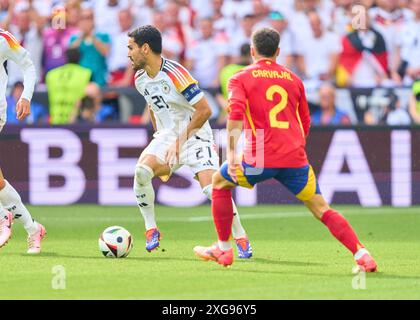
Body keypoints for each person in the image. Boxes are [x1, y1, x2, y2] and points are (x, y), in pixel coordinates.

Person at [193, 27, 377, 273]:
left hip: (259, 152)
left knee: (219, 182)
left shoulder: (240, 78)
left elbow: (235, 115)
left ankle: (224, 249)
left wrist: (233, 155)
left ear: (252, 50)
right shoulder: (294, 79)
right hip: (294, 156)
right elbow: (306, 121)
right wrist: (295, 147)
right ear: (278, 51)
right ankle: (362, 254)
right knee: (322, 208)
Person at [127, 25, 252, 258]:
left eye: (131, 48)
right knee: (141, 172)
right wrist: (162, 142)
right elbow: (154, 106)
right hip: (167, 137)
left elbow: (204, 111)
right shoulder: (140, 78)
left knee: (212, 189)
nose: (128, 53)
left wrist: (178, 142)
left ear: (145, 48)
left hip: (195, 136)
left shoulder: (177, 73)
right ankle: (151, 229)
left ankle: (241, 238)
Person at [0, 28, 46, 253]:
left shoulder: (3, 39)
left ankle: (2, 217)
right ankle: (33, 229)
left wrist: (25, 96)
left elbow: (28, 65)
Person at [46, 47, 92, 125]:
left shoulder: (51, 74)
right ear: (80, 58)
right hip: (75, 121)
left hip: (55, 119)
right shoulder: (86, 73)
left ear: (65, 58)